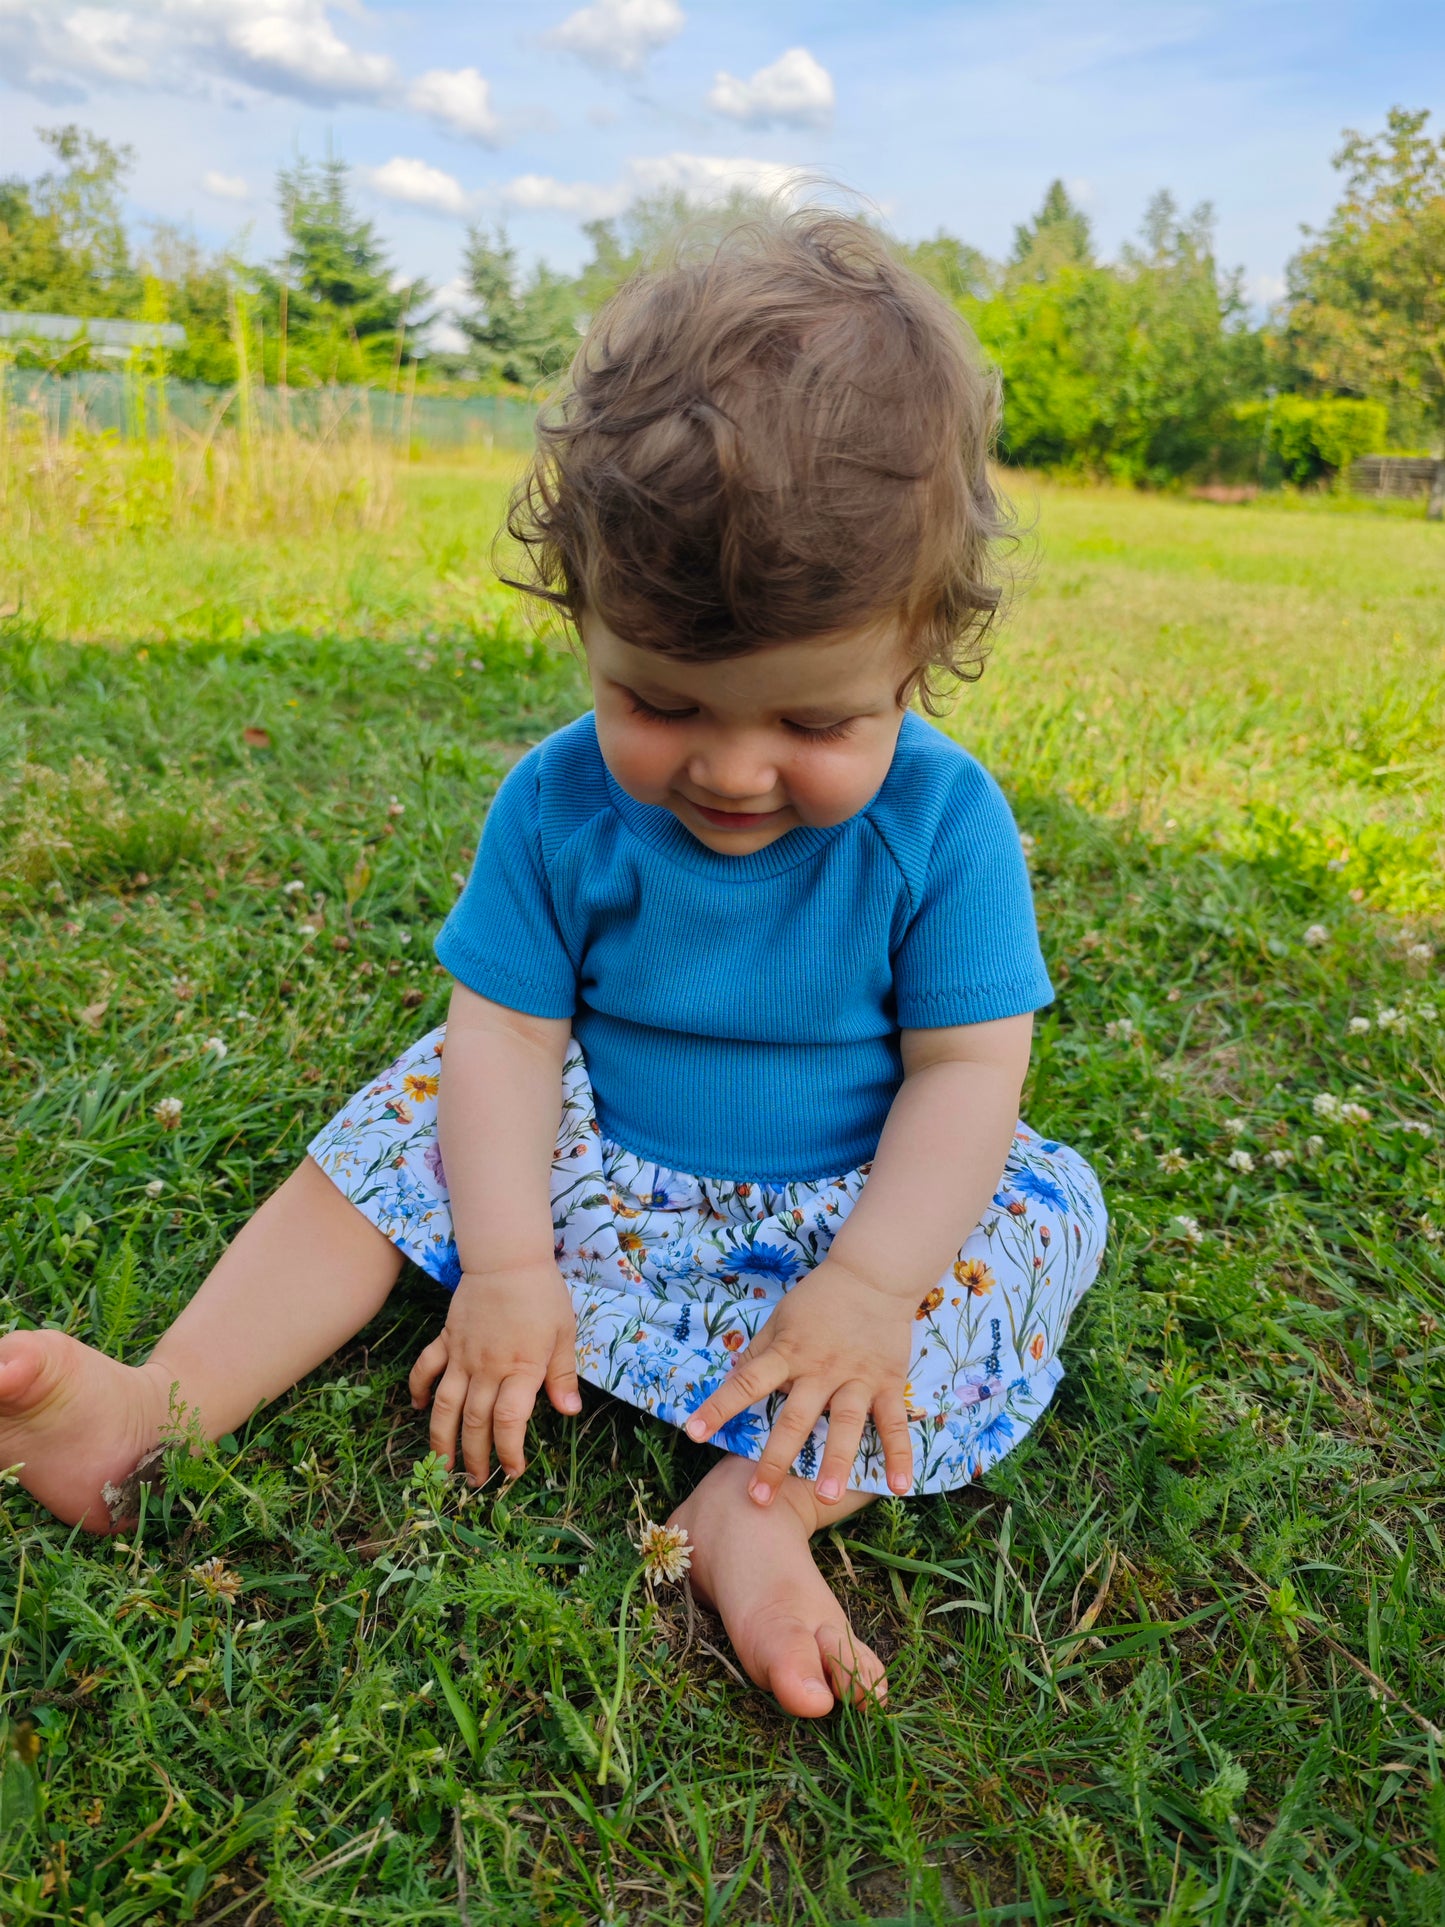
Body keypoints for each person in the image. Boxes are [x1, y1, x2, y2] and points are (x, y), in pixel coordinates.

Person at [0, 206, 1105, 1719]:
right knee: (419, 1103)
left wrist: (864, 1285)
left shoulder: (942, 825)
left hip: (849, 1211)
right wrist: (509, 1267)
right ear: (578, 620)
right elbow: (510, 1039)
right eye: (659, 700)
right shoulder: (558, 802)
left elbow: (967, 1068)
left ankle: (760, 1509)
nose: (730, 770)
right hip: (592, 1169)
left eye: (811, 722)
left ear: (921, 651)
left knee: (1025, 1231)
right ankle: (163, 1406)